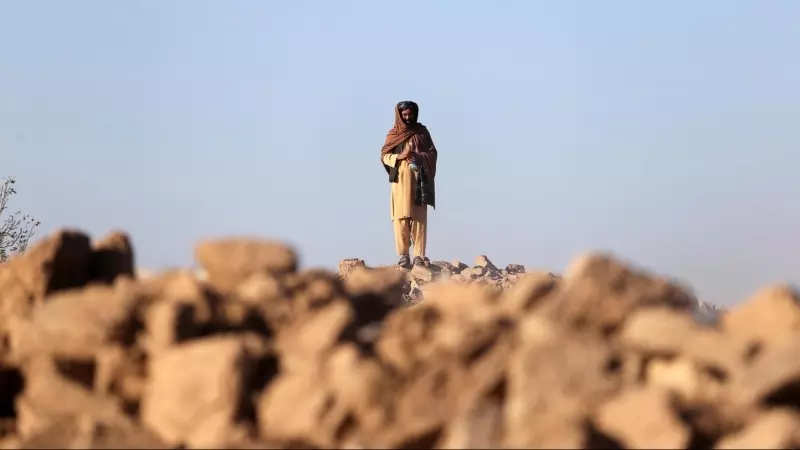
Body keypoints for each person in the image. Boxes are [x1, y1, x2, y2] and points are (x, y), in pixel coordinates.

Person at [380, 101, 438, 268]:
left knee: (419, 219)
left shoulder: (422, 132)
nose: (407, 118)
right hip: (400, 183)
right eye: (404, 115)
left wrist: (419, 157)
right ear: (399, 115)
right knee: (401, 218)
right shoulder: (393, 134)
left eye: (410, 114)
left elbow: (432, 153)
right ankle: (403, 255)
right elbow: (384, 156)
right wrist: (400, 156)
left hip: (420, 180)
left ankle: (419, 255)